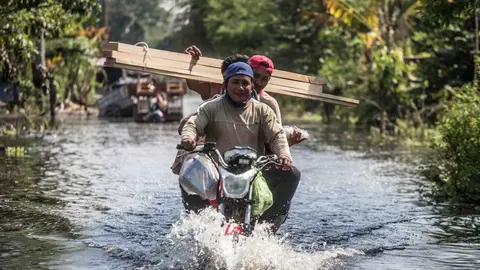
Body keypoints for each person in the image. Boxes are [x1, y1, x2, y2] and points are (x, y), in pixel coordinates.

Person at [180, 62, 301, 233]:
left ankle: (267, 228)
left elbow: (276, 135)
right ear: (226, 83)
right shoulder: (211, 107)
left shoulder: (263, 110)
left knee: (292, 174)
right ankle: (198, 225)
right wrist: (188, 138)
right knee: (190, 170)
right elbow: (193, 124)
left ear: (252, 85)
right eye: (235, 82)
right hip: (217, 170)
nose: (240, 87)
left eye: (245, 83)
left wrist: (284, 154)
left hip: (254, 170)